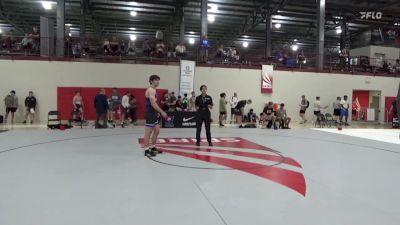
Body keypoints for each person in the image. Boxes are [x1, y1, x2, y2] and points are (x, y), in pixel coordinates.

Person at [143, 75, 168, 156]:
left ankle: (153, 147)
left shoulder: (154, 90)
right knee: (148, 132)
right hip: (150, 113)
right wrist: (161, 112)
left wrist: (157, 112)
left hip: (153, 113)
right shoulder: (151, 90)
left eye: (158, 80)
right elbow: (153, 103)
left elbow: (154, 103)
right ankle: (146, 150)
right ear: (151, 81)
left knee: (157, 130)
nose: (158, 82)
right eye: (156, 80)